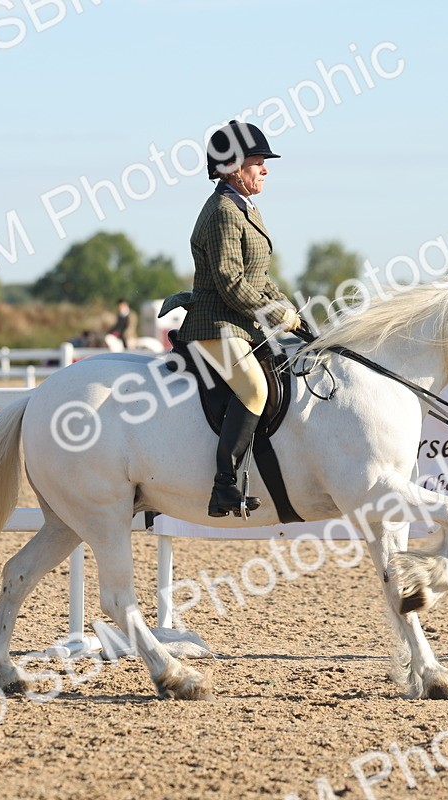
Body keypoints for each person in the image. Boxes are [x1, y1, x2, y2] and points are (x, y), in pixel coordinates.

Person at [174, 120, 301, 517]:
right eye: (257, 162)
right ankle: (224, 486)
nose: (265, 168)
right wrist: (275, 313)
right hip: (216, 324)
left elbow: (258, 278)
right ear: (232, 168)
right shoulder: (224, 212)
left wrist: (289, 309)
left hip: (240, 323)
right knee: (255, 390)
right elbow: (231, 283)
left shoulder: (246, 208)